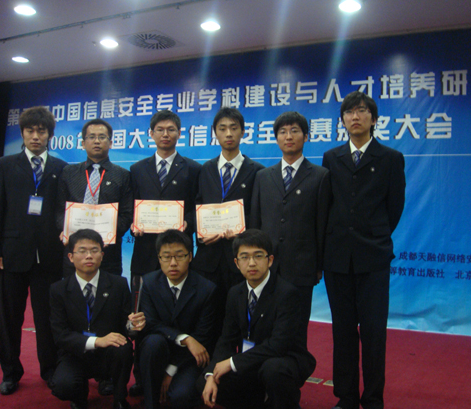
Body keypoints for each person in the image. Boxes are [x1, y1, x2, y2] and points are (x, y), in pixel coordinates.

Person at [322, 91, 406, 409]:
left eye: (361, 111)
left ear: (374, 119)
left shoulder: (390, 158)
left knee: (373, 333)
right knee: (342, 331)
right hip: (337, 259)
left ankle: (372, 399)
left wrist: (374, 235)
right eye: (349, 112)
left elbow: (394, 207)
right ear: (342, 120)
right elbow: (328, 205)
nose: (355, 117)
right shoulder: (332, 157)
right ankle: (345, 397)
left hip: (373, 257)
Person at [0, 106, 67, 395]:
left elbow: (63, 211)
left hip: (49, 256)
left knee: (47, 319)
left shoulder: (60, 168)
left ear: (50, 135)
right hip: (11, 255)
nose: (35, 136)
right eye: (30, 130)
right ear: (22, 133)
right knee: (10, 318)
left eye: (41, 131)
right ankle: (10, 372)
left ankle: (50, 369)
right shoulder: (4, 165)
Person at [200, 229, 316, 409]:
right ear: (236, 263)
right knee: (203, 383)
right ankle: (258, 400)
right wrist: (211, 375)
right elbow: (226, 339)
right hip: (251, 360)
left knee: (273, 370)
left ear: (270, 260)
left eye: (258, 256)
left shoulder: (287, 293)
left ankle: (286, 402)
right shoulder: (235, 293)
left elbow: (278, 345)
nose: (252, 263)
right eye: (244, 257)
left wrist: (233, 362)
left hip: (284, 359)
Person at [129, 110, 202, 395]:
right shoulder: (137, 169)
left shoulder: (193, 168)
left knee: (179, 313)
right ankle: (141, 376)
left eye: (171, 129)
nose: (165, 134)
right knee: (140, 318)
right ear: (151, 134)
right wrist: (133, 224)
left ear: (179, 133)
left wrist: (188, 224)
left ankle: (177, 369)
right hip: (144, 254)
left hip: (177, 256)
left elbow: (197, 209)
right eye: (160, 129)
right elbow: (131, 207)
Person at [250, 111, 330, 344]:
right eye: (283, 132)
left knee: (296, 328)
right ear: (276, 138)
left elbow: (322, 225)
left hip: (302, 266)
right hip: (267, 266)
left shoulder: (321, 176)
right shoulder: (263, 176)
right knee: (263, 325)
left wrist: (318, 265)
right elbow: (255, 222)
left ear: (306, 136)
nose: (288, 136)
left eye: (295, 131)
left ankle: (293, 366)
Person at [49, 229, 145, 409]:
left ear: (102, 255)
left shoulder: (118, 284)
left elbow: (126, 327)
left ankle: (119, 398)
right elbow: (60, 335)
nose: (89, 256)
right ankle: (79, 396)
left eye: (94, 250)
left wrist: (133, 325)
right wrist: (96, 341)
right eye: (82, 251)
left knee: (123, 348)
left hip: (109, 353)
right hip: (75, 353)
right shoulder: (58, 289)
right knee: (63, 386)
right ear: (70, 257)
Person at [193, 107, 264, 335]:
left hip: (240, 258)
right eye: (222, 129)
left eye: (234, 128)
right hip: (208, 259)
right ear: (215, 133)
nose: (229, 133)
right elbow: (198, 207)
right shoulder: (205, 169)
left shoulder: (258, 171)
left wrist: (242, 231)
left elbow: (258, 214)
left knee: (240, 319)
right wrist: (200, 231)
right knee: (208, 319)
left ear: (243, 131)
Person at [139, 229, 216, 409]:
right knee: (152, 342)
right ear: (159, 258)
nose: (173, 263)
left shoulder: (207, 289)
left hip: (189, 358)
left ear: (190, 256)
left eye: (179, 256)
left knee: (181, 396)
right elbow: (151, 323)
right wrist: (184, 338)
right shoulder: (149, 282)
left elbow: (203, 335)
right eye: (166, 257)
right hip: (160, 350)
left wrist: (171, 370)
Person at [57, 118, 133, 276]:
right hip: (74, 251)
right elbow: (59, 209)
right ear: (83, 143)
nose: (97, 141)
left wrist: (108, 235)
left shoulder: (123, 175)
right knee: (73, 290)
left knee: (109, 290)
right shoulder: (68, 172)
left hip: (108, 252)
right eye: (91, 137)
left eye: (102, 137)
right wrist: (65, 231)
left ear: (110, 143)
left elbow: (127, 214)